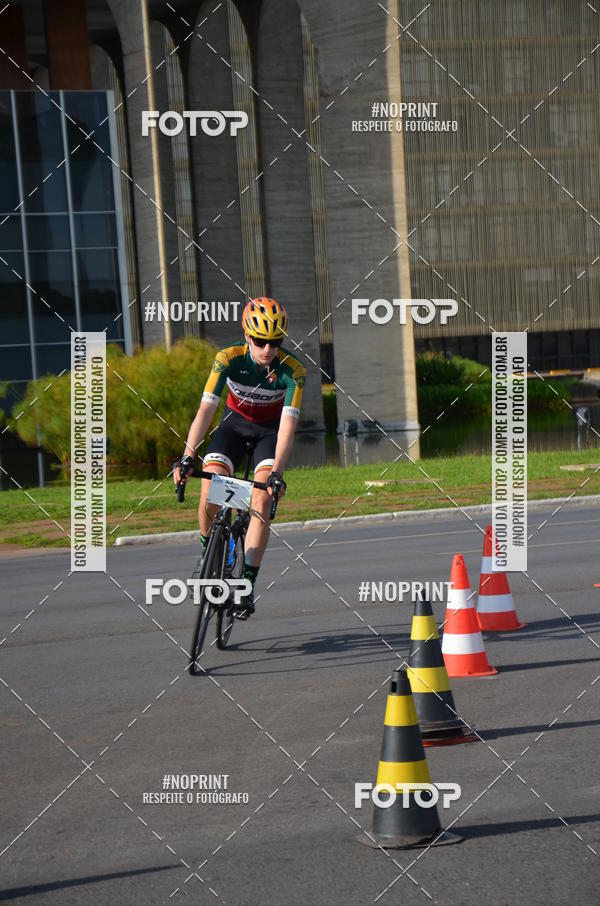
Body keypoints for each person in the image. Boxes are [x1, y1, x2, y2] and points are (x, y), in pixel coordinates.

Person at [174, 297, 306, 617]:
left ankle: (246, 584)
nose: (268, 349)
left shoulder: (294, 371)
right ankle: (208, 557)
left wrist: (278, 472)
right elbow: (206, 409)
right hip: (233, 427)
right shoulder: (227, 358)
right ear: (247, 336)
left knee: (261, 500)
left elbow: (288, 426)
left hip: (269, 433)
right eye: (260, 341)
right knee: (209, 487)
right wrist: (187, 457)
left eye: (275, 342)